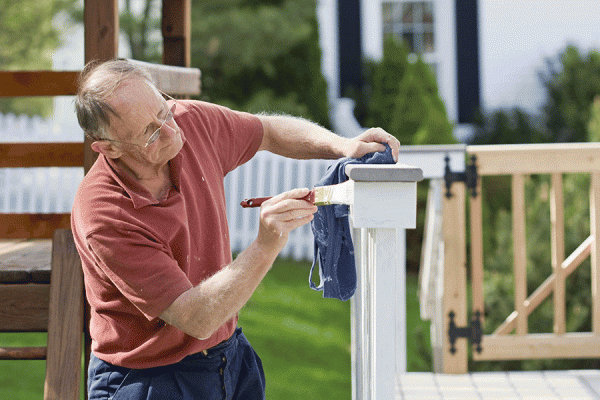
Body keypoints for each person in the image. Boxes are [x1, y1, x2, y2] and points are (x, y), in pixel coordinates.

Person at [71, 59, 400, 400]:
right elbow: (195, 318)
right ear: (108, 147)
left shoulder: (189, 123)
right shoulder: (103, 212)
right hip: (148, 378)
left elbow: (268, 131)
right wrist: (266, 244)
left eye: (163, 111)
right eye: (149, 133)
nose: (170, 131)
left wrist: (342, 146)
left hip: (227, 357)